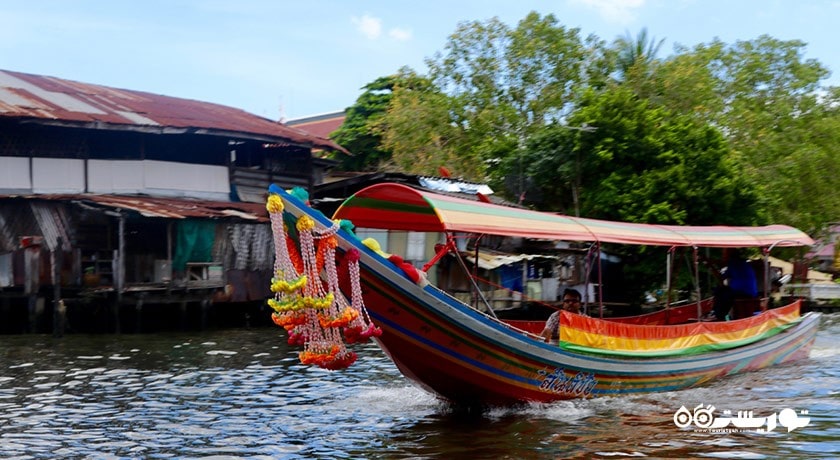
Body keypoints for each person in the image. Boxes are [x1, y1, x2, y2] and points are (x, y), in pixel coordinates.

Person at [706, 249, 758, 321]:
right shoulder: (742, 263)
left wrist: (711, 266)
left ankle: (717, 315)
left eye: (724, 254)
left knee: (721, 291)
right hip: (748, 292)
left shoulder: (733, 263)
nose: (723, 256)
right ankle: (718, 314)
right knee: (723, 291)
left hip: (743, 292)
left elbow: (721, 278)